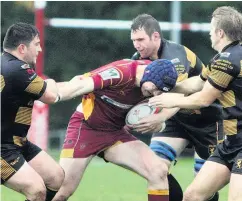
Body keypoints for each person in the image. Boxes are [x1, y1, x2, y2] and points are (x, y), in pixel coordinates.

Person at [148, 6, 242, 201]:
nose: (209, 33)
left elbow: (203, 98)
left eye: (211, 28)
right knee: (193, 196)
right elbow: (198, 83)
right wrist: (169, 86)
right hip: (230, 144)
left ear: (220, 32)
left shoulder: (228, 60)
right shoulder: (222, 58)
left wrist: (169, 100)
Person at [51, 58, 179, 201]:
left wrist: (160, 118)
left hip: (115, 133)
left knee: (158, 171)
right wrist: (54, 95)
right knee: (62, 191)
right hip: (86, 128)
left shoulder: (158, 80)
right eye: (155, 88)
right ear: (148, 74)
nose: (155, 94)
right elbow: (81, 84)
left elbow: (182, 94)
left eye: (160, 92)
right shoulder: (121, 73)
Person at [129, 14, 223, 201]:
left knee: (203, 186)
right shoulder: (138, 59)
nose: (136, 45)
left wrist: (158, 118)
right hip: (176, 120)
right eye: (133, 40)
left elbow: (178, 96)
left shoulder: (175, 57)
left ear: (155, 36)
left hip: (207, 121)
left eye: (140, 39)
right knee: (155, 169)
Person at [1, 22, 96, 201]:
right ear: (22, 48)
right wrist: (67, 85)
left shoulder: (9, 66)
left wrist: (75, 84)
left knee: (55, 177)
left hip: (16, 143)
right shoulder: (17, 69)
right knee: (36, 189)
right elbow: (51, 95)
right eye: (36, 44)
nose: (40, 49)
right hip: (2, 149)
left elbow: (47, 90)